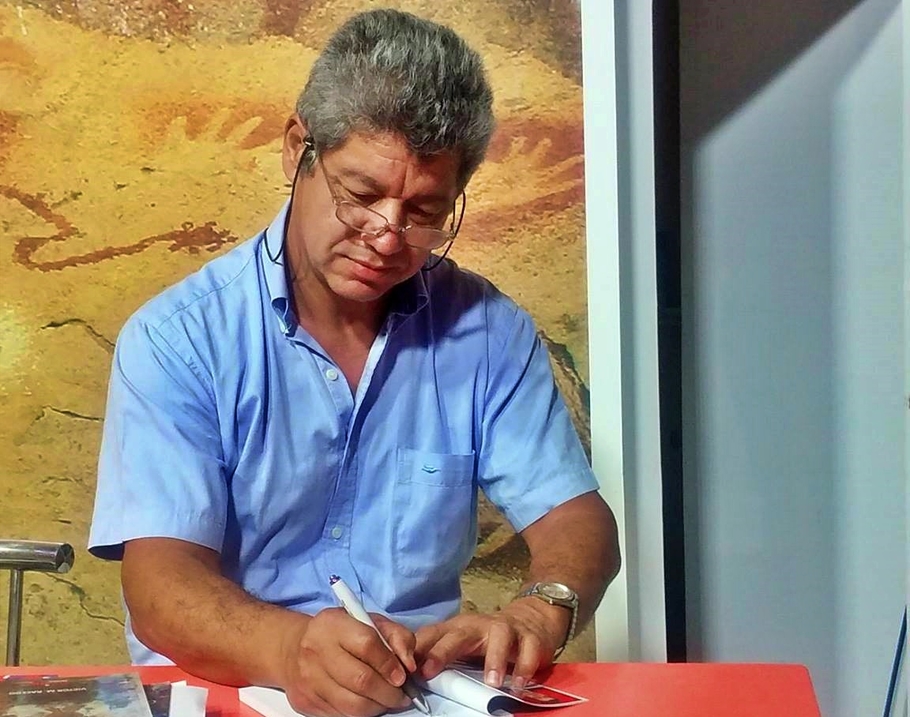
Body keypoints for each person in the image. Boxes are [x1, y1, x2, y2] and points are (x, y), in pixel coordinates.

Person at [89, 8, 620, 717]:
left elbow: (577, 520)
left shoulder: (489, 331)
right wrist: (291, 650)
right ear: (297, 150)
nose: (387, 236)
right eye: (361, 195)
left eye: (424, 212)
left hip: (417, 696)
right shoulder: (178, 339)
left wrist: (540, 609)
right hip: (229, 694)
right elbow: (160, 588)